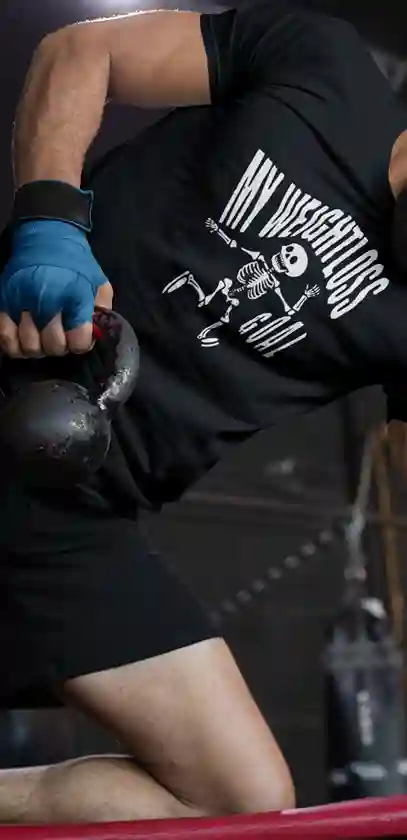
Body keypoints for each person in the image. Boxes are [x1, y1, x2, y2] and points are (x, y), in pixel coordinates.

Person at [0, 0, 406, 824]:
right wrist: (47, 221)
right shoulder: (320, 64)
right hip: (13, 362)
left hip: (71, 512)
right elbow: (84, 54)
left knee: (237, 797)